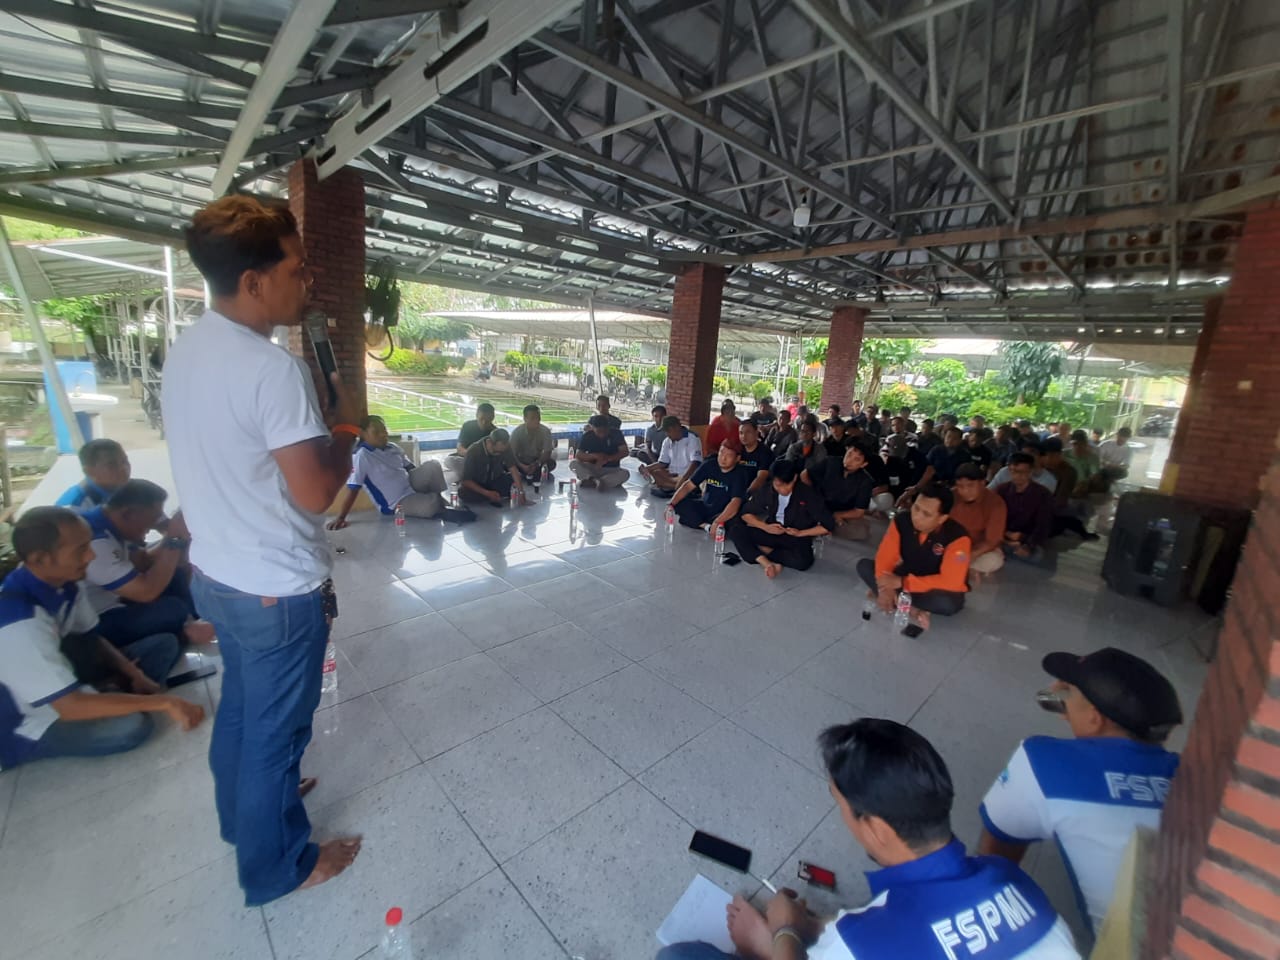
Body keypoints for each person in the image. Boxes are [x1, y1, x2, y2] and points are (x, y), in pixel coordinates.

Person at [165, 195, 364, 903]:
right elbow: (316, 494)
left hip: (218, 574)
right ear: (253, 281)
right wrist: (347, 432)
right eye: (296, 268)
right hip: (275, 589)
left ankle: (241, 816)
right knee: (276, 735)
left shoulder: (188, 350)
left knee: (244, 713)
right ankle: (279, 866)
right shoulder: (268, 369)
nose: (307, 281)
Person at [658, 718, 1079, 960]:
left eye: (839, 803)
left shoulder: (861, 942)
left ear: (877, 828)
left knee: (679, 957)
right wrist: (812, 926)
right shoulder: (1012, 878)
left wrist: (776, 937)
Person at [980, 648, 1182, 941]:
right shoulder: (1189, 775)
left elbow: (1000, 842)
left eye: (1070, 693)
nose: (1061, 697)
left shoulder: (1044, 761)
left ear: (1095, 719)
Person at [0, 507, 204, 771]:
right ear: (41, 559)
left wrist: (134, 674)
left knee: (164, 644)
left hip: (72, 678)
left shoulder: (66, 582)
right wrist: (164, 702)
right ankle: (110, 700)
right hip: (32, 721)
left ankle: (111, 697)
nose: (91, 556)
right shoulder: (19, 622)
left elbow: (93, 638)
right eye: (80, 550)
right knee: (131, 728)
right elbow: (68, 708)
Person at [83, 480, 215, 649]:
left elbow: (142, 563)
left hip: (117, 599)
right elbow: (146, 593)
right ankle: (184, 631)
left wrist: (173, 537)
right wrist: (175, 539)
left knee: (175, 575)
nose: (153, 525)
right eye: (152, 518)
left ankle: (195, 622)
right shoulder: (97, 543)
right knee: (173, 609)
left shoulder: (115, 524)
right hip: (98, 619)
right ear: (128, 514)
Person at [858, 484, 970, 635]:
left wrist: (902, 582)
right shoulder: (902, 521)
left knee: (946, 603)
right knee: (864, 566)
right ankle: (909, 606)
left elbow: (951, 581)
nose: (917, 517)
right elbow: (885, 557)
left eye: (926, 514)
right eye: (916, 508)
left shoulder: (958, 537)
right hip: (905, 574)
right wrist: (886, 589)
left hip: (933, 586)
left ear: (942, 518)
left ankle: (899, 600)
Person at [328, 415, 449, 528]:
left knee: (432, 465)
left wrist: (425, 481)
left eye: (384, 430)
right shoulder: (362, 456)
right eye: (376, 432)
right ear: (363, 434)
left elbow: (412, 468)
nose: (383, 434)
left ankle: (436, 499)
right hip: (396, 502)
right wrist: (341, 517)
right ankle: (434, 501)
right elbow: (353, 488)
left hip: (410, 485)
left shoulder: (393, 447)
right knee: (430, 506)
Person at [730, 459, 833, 578]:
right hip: (771, 530)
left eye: (786, 485)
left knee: (803, 562)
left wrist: (800, 533)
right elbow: (745, 513)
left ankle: (765, 550)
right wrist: (765, 527)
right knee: (736, 530)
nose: (782, 490)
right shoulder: (768, 490)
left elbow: (828, 525)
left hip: (795, 536)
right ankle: (765, 562)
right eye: (778, 485)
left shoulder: (808, 494)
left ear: (794, 478)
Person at [670, 442, 747, 532]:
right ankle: (706, 526)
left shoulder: (740, 474)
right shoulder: (709, 464)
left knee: (735, 522)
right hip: (706, 506)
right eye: (721, 453)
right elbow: (688, 485)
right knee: (680, 503)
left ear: (737, 458)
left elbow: (735, 502)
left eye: (729, 455)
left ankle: (697, 522)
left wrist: (718, 521)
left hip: (723, 511)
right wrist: (671, 504)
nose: (723, 458)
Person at [803, 445, 874, 541]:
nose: (849, 461)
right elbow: (805, 474)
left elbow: (859, 512)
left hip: (839, 512)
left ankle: (822, 527)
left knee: (861, 531)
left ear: (863, 464)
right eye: (849, 454)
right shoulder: (831, 462)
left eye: (856, 459)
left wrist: (837, 515)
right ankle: (821, 527)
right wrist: (810, 494)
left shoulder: (865, 481)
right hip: (817, 504)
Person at [949, 463, 1008, 578]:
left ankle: (963, 566)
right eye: (960, 486)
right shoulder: (951, 496)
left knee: (994, 560)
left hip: (977, 550)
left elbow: (992, 541)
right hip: (952, 547)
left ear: (982, 483)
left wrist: (971, 555)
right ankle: (961, 567)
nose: (965, 491)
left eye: (970, 486)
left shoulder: (996, 503)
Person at [995, 454, 1055, 561]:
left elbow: (1043, 526)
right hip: (1003, 535)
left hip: (1026, 538)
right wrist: (1005, 534)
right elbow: (994, 517)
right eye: (1013, 471)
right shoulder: (1002, 490)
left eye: (1021, 472)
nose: (1016, 476)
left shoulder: (1043, 494)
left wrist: (1026, 543)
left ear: (1030, 472)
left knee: (1037, 555)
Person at [1041, 440, 1098, 541]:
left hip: (1054, 508)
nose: (1048, 459)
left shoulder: (1068, 472)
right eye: (1046, 456)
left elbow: (1061, 500)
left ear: (1060, 455)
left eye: (1053, 456)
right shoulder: (1038, 467)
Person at [55, 438, 132, 509]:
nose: (123, 468)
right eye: (111, 464)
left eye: (124, 461)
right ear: (89, 471)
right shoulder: (75, 507)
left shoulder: (127, 489)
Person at [899, 427, 967, 504]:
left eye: (954, 438)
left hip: (952, 487)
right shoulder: (936, 450)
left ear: (960, 440)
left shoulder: (964, 455)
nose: (950, 440)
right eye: (948, 437)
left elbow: (962, 477)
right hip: (931, 484)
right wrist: (917, 487)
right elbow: (927, 469)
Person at [460, 427, 524, 505]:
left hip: (496, 480)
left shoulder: (505, 447)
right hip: (479, 483)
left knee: (517, 479)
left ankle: (492, 496)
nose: (498, 454)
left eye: (501, 453)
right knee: (463, 492)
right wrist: (487, 493)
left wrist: (521, 492)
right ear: (489, 442)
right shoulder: (474, 451)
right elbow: (466, 480)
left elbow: (513, 469)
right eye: (496, 452)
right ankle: (491, 495)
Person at [643, 415, 702, 495]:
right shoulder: (667, 441)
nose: (667, 434)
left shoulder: (692, 438)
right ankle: (679, 488)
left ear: (677, 428)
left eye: (668, 431)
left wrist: (683, 479)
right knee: (654, 472)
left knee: (688, 480)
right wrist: (647, 468)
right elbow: (662, 463)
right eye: (666, 431)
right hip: (672, 475)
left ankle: (673, 487)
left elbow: (695, 463)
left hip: (686, 475)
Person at [572, 415, 630, 490]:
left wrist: (607, 458)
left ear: (608, 427)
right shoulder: (587, 436)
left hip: (611, 468)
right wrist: (595, 456)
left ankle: (596, 482)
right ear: (593, 428)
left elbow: (625, 452)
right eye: (599, 431)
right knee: (573, 464)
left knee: (625, 474)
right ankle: (594, 480)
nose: (602, 434)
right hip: (592, 467)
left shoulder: (616, 434)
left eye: (605, 431)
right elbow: (578, 455)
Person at [509, 404, 557, 486]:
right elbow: (511, 454)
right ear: (525, 419)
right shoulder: (517, 432)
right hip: (521, 461)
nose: (536, 420)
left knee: (551, 463)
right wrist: (522, 466)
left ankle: (529, 473)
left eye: (538, 417)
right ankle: (528, 473)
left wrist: (537, 464)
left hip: (537, 461)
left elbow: (547, 452)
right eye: (533, 418)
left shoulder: (545, 431)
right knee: (507, 464)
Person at [446, 402, 496, 477]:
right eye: (481, 419)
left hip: (483, 463)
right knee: (449, 460)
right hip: (465, 459)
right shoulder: (468, 426)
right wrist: (472, 457)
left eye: (487, 420)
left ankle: (469, 477)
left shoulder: (494, 433)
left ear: (492, 418)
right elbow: (460, 448)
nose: (484, 423)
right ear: (476, 415)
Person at [989, 440, 1058, 495]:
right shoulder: (1006, 471)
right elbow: (988, 492)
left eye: (1031, 454)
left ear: (1042, 458)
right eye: (1023, 454)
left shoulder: (1048, 481)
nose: (1025, 458)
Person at [737, 420, 775, 494]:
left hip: (757, 492)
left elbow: (761, 478)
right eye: (741, 433)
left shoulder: (765, 452)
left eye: (748, 432)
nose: (744, 436)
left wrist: (746, 495)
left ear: (756, 433)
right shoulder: (738, 450)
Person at [1063, 431, 1099, 496]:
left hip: (1084, 488)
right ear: (1071, 443)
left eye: (1082, 443)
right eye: (1075, 444)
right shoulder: (1064, 454)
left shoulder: (1092, 458)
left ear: (1086, 444)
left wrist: (1085, 483)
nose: (1078, 446)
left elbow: (1094, 474)